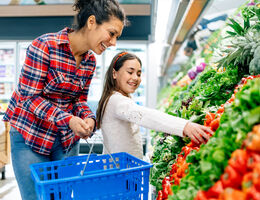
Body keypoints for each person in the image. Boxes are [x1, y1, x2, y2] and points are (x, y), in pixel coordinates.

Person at [2, 0, 127, 199]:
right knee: (35, 196)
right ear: (92, 22)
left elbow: (78, 100)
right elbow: (29, 98)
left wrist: (89, 119)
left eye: (117, 37)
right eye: (111, 34)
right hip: (30, 136)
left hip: (64, 139)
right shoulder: (44, 46)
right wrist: (68, 120)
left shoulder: (89, 61)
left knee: (61, 196)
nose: (113, 43)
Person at [96, 52, 213, 159]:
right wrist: (184, 126)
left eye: (139, 73)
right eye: (130, 72)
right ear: (114, 73)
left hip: (122, 170)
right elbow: (146, 116)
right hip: (121, 175)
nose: (135, 78)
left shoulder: (116, 98)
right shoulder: (116, 101)